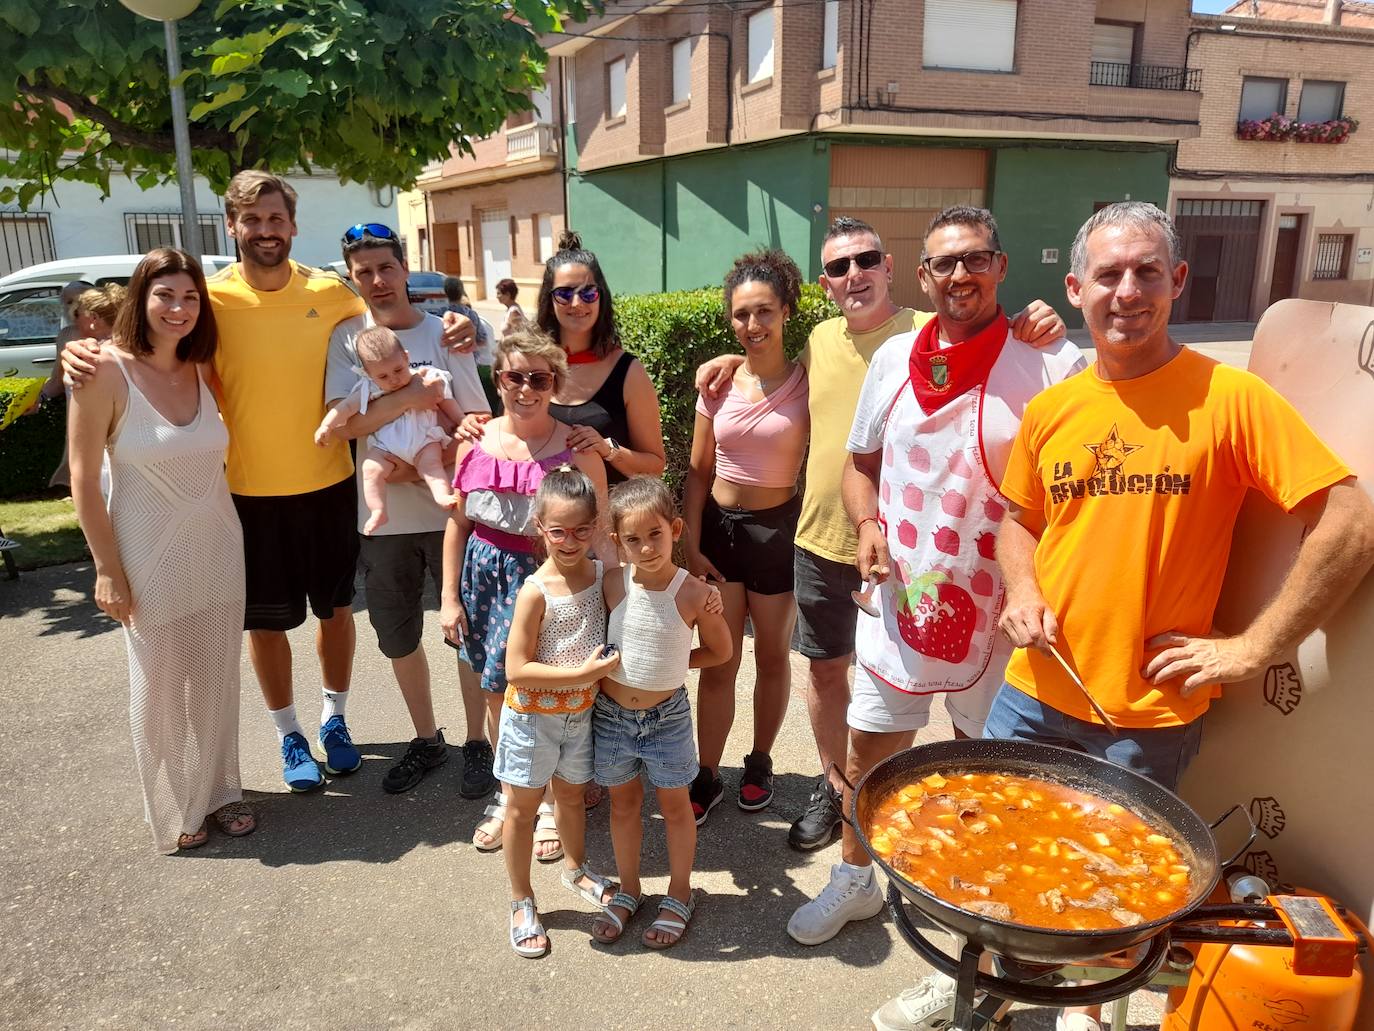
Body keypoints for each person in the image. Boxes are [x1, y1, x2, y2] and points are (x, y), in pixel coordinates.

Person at [992, 201, 1374, 1031]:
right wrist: (1021, 590)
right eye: (1108, 274)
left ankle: (1087, 1012)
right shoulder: (1054, 408)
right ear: (1075, 287)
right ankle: (991, 977)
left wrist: (1254, 646)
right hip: (1028, 692)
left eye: (1147, 272)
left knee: (1110, 891)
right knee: (998, 854)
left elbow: (1352, 520)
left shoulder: (1229, 399)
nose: (1127, 291)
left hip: (1144, 717)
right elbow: (1016, 521)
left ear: (1178, 282)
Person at [62, 183, 481, 794]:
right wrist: (89, 349)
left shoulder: (332, 293)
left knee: (337, 613)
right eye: (252, 218)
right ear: (232, 225)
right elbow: (154, 338)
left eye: (277, 218)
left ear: (292, 225)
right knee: (266, 624)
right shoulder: (212, 298)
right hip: (245, 493)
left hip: (331, 485)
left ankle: (334, 720)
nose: (266, 229)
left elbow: (390, 321)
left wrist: (465, 321)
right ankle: (289, 733)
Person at [696, 217, 1067, 853]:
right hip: (819, 537)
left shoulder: (927, 333)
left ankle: (956, 817)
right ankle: (834, 786)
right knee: (830, 676)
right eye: (838, 268)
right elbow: (770, 363)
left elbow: (992, 339)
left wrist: (1042, 323)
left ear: (894, 268)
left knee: (945, 694)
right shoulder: (817, 339)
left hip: (918, 561)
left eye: (866, 260)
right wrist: (733, 356)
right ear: (824, 284)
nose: (854, 275)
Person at [788, 205, 1086, 961]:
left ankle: (970, 905)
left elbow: (1078, 494)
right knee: (871, 751)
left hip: (999, 615)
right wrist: (866, 528)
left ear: (1001, 267)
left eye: (975, 258)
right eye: (945, 263)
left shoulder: (1047, 362)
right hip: (904, 605)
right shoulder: (894, 360)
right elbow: (862, 466)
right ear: (923, 276)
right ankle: (857, 878)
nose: (960, 274)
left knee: (982, 769)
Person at [67, 247, 254, 853]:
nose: (178, 308)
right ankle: (180, 801)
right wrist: (105, 569)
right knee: (159, 682)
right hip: (145, 549)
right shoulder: (102, 371)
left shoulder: (202, 367)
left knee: (216, 677)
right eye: (164, 295)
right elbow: (81, 477)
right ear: (139, 300)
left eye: (190, 297)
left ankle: (222, 789)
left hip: (218, 543)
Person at [325, 226, 492, 796]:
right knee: (397, 636)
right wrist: (411, 400)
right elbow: (344, 423)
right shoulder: (348, 339)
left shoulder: (448, 333)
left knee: (468, 633)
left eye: (386, 267)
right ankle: (427, 739)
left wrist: (430, 455)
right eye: (363, 270)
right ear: (353, 276)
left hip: (454, 515)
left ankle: (477, 742)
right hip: (386, 522)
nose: (376, 280)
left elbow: (476, 422)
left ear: (404, 268)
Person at [440, 328, 611, 853]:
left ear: (555, 383)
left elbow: (599, 530)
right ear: (499, 379)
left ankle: (559, 801)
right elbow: (458, 523)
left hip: (556, 581)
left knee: (563, 691)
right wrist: (449, 597)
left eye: (539, 378)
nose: (526, 388)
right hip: (488, 578)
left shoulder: (578, 448)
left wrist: (609, 598)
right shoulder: (473, 440)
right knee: (500, 693)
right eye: (515, 376)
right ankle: (514, 794)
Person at [683, 250, 808, 825]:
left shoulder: (810, 379)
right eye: (740, 315)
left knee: (773, 656)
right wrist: (690, 543)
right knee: (719, 659)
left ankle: (759, 762)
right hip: (721, 533)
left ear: (786, 311)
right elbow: (698, 471)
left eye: (764, 312)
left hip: (778, 532)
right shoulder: (720, 382)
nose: (752, 325)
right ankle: (707, 772)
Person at [589, 476, 732, 949]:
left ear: (675, 529)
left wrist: (676, 663)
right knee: (624, 805)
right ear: (617, 543)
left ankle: (679, 891)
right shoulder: (612, 583)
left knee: (675, 808)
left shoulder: (693, 593)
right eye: (632, 539)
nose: (646, 547)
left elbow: (720, 650)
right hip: (611, 717)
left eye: (656, 534)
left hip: (666, 718)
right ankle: (629, 888)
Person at [499, 467, 622, 957]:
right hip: (532, 719)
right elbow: (515, 669)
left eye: (581, 529)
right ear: (539, 527)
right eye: (558, 531)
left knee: (571, 799)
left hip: (580, 717)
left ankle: (575, 868)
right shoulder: (536, 591)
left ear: (597, 526)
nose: (569, 541)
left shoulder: (603, 578)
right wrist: (580, 676)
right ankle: (520, 898)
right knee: (522, 810)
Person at [540, 232, 666, 487]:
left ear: (601, 297)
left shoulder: (628, 371)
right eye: (564, 293)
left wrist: (608, 450)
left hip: (610, 521)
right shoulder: (532, 366)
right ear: (549, 299)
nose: (577, 303)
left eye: (588, 293)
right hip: (542, 523)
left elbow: (655, 467)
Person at [317, 325, 465, 533]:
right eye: (383, 376)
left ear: (406, 357)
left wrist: (461, 419)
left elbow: (445, 400)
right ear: (368, 374)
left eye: (398, 370)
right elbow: (345, 408)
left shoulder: (425, 378)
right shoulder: (368, 387)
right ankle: (378, 510)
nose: (393, 379)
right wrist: (327, 425)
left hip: (424, 439)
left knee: (432, 466)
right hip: (386, 447)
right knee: (370, 469)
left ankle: (442, 496)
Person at [42, 284, 123, 486]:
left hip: (111, 442)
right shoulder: (69, 338)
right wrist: (37, 398)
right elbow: (57, 382)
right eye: (66, 303)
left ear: (93, 316)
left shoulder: (120, 349)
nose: (70, 312)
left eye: (76, 308)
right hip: (91, 439)